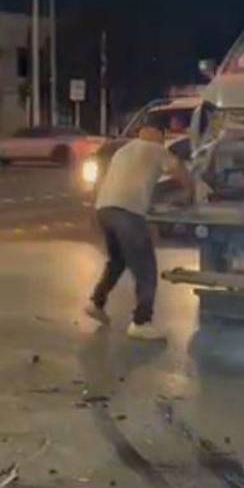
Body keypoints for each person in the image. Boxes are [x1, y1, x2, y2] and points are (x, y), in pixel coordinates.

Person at [87, 125, 194, 340]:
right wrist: (190, 194)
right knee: (146, 269)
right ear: (157, 136)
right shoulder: (156, 150)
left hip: (104, 210)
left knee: (117, 261)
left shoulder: (123, 151)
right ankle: (141, 322)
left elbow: (132, 181)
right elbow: (180, 172)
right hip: (127, 213)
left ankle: (96, 302)